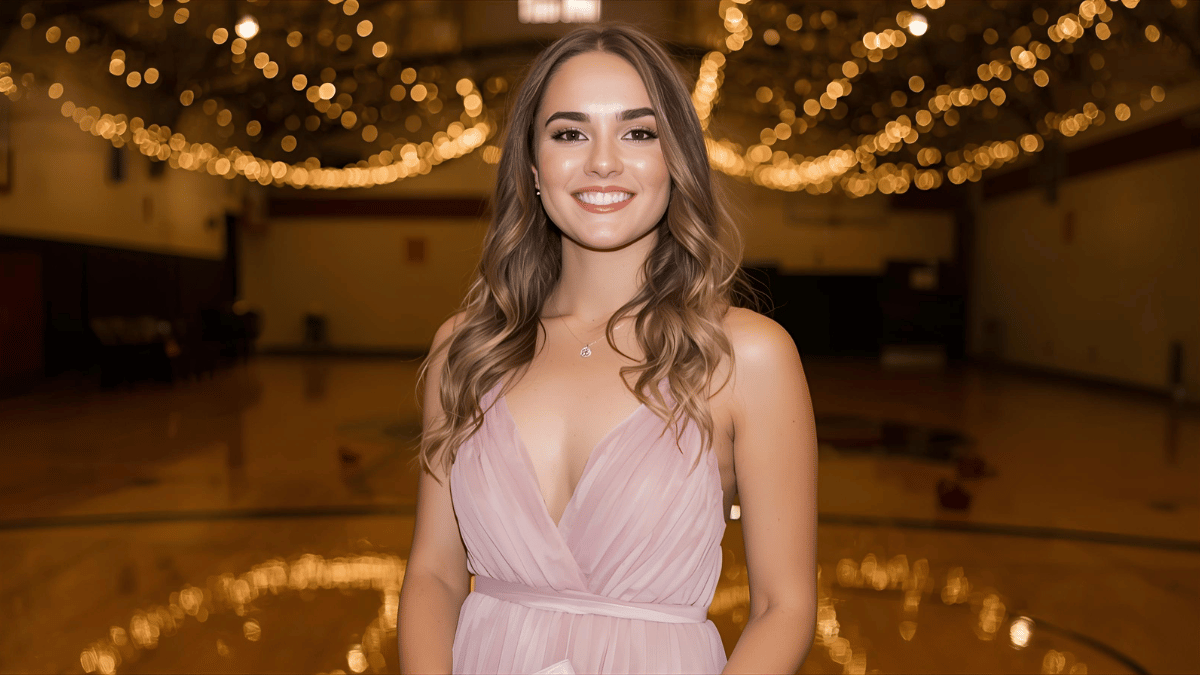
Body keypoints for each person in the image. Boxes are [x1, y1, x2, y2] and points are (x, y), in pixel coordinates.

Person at [398, 22, 817, 675]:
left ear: (674, 160)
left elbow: (783, 605)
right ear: (533, 167)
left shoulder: (747, 354)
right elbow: (433, 574)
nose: (602, 160)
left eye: (638, 132)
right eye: (569, 133)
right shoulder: (465, 348)